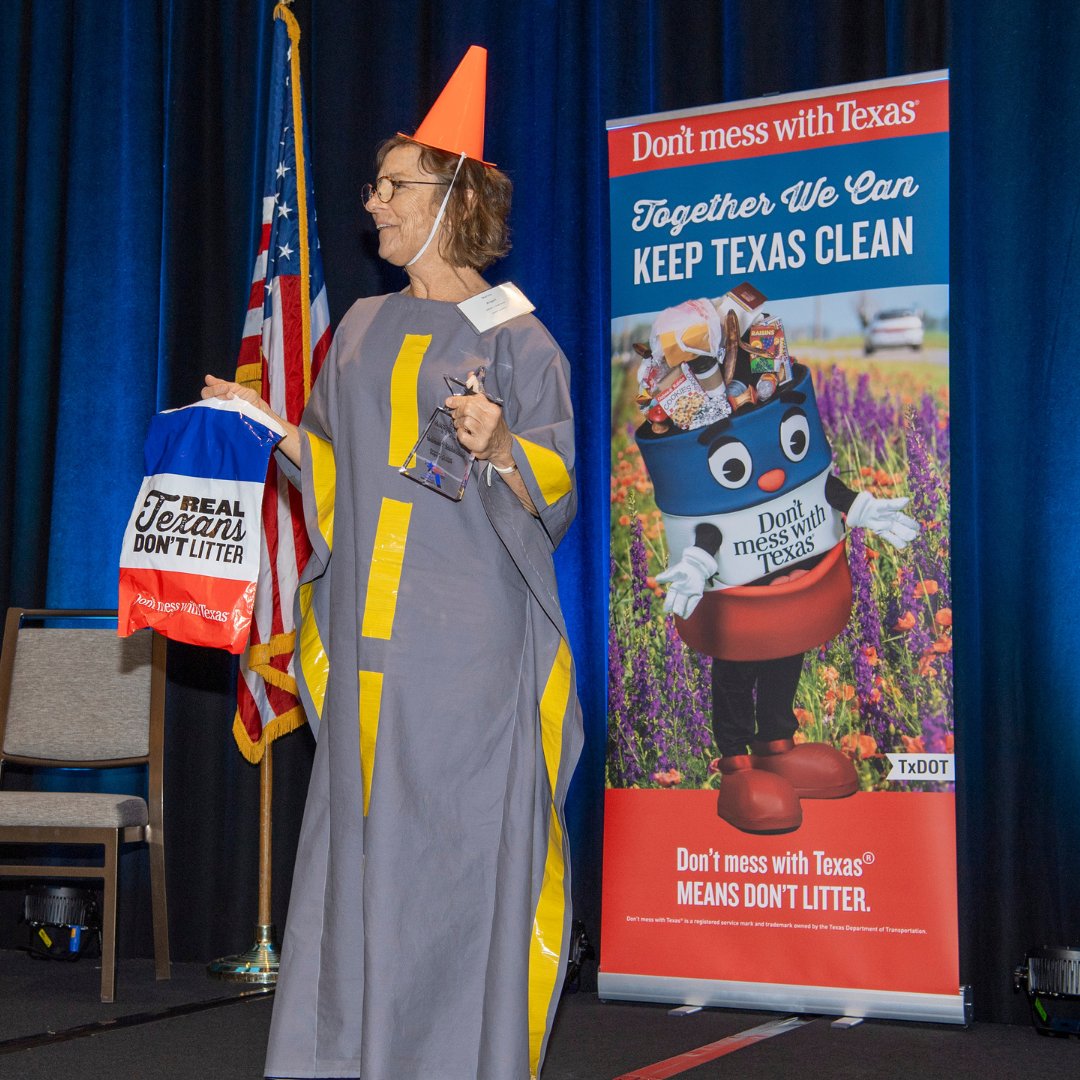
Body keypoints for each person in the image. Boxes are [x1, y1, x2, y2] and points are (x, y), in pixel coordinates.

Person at [203, 46, 582, 1080]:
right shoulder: (362, 327)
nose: (371, 202)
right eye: (374, 185)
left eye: (392, 185)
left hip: (467, 663)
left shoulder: (521, 339)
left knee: (455, 872)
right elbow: (336, 474)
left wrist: (502, 442)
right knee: (363, 863)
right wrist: (268, 423)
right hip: (371, 652)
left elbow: (556, 488)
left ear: (452, 196)